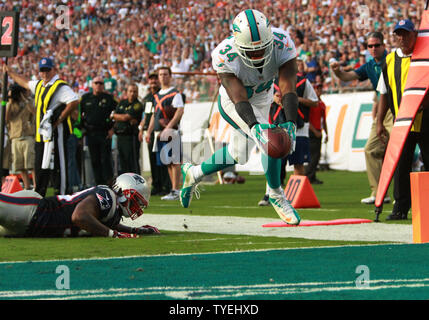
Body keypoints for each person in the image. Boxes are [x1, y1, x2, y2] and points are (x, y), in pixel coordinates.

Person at [180, 9, 300, 225]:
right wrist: (255, 127)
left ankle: (194, 173)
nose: (258, 56)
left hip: (263, 97)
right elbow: (239, 97)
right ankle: (275, 193)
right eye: (252, 52)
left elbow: (288, 86)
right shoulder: (224, 54)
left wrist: (291, 122)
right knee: (269, 139)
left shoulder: (283, 42)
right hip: (234, 102)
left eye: (263, 50)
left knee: (239, 153)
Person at [330, 32, 393, 204]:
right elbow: (347, 77)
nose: (373, 49)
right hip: (382, 111)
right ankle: (379, 193)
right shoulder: (369, 65)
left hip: (397, 110)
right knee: (370, 150)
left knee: (401, 151)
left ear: (383, 45)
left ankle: (406, 195)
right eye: (370, 46)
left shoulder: (393, 60)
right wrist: (337, 72)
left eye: (376, 45)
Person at [3, 58, 80, 196]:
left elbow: (74, 101)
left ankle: (62, 196)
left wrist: (61, 118)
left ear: (54, 70)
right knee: (40, 168)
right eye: (42, 70)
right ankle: (39, 198)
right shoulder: (39, 85)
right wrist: (10, 72)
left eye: (47, 70)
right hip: (41, 134)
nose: (44, 73)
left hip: (56, 133)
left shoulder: (60, 86)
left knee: (59, 166)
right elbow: (25, 83)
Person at [376, 19, 429, 220]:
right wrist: (380, 122)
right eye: (399, 34)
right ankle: (400, 208)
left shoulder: (424, 58)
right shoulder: (390, 60)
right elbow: (383, 92)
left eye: (406, 33)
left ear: (415, 35)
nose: (402, 38)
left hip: (426, 121)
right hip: (402, 122)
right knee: (401, 165)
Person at [0, 172, 159, 238]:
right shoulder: (108, 195)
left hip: (30, 227)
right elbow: (79, 217)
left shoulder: (111, 209)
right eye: (137, 201)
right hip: (33, 212)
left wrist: (136, 230)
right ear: (124, 191)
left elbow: (110, 225)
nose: (137, 207)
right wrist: (113, 235)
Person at [145, 66, 185, 201]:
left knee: (175, 161)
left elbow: (179, 111)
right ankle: (172, 189)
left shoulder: (175, 93)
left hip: (171, 132)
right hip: (159, 133)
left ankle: (176, 189)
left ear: (170, 76)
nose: (163, 76)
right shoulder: (156, 96)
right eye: (160, 74)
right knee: (167, 161)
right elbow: (153, 116)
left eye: (165, 74)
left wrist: (169, 126)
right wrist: (149, 131)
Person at [138, 71, 171, 196]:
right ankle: (156, 185)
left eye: (155, 79)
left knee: (164, 159)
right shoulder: (147, 98)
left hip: (161, 130)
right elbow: (146, 116)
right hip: (150, 131)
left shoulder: (162, 95)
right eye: (151, 79)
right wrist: (141, 129)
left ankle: (166, 185)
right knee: (153, 159)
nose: (153, 81)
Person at [81, 76, 117, 186]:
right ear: (92, 85)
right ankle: (98, 184)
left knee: (106, 159)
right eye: (96, 83)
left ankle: (109, 183)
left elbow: (116, 113)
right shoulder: (85, 98)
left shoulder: (109, 98)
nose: (98, 85)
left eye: (101, 83)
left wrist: (112, 129)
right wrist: (82, 129)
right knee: (95, 159)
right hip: (91, 133)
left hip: (104, 132)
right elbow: (79, 115)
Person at [5, 84, 36, 190]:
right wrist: (10, 101)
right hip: (15, 137)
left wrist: (24, 99)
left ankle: (36, 186)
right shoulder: (11, 105)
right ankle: (27, 187)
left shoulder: (28, 102)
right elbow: (6, 118)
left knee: (31, 164)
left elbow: (34, 112)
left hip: (27, 136)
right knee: (20, 166)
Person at [111, 83, 143, 175]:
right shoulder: (122, 103)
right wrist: (116, 116)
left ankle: (136, 184)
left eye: (135, 91)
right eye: (130, 91)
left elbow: (125, 117)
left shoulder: (138, 105)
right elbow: (115, 116)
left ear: (137, 93)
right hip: (120, 136)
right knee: (122, 161)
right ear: (127, 92)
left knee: (132, 162)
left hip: (131, 137)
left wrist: (116, 116)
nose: (132, 93)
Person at [306, 82, 328, 184]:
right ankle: (309, 176)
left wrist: (326, 133)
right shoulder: (311, 104)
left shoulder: (322, 104)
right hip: (312, 131)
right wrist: (314, 131)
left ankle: (312, 176)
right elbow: (307, 120)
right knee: (313, 156)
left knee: (316, 156)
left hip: (318, 131)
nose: (319, 91)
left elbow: (324, 120)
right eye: (317, 89)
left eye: (320, 89)